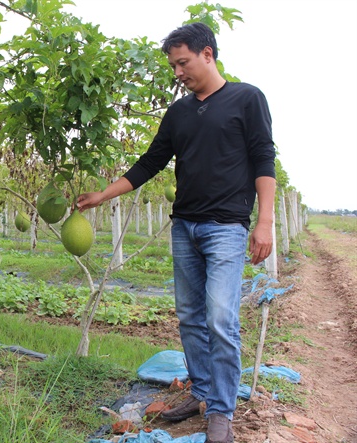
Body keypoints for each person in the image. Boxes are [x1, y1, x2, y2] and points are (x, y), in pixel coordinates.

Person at [76, 22, 276, 443]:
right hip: (184, 226)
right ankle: (202, 393)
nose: (177, 72)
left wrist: (265, 222)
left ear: (208, 54)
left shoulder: (246, 98)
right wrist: (103, 195)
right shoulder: (179, 112)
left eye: (182, 62)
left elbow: (263, 160)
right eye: (173, 65)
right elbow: (150, 163)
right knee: (189, 317)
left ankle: (221, 411)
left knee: (221, 318)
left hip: (226, 227)